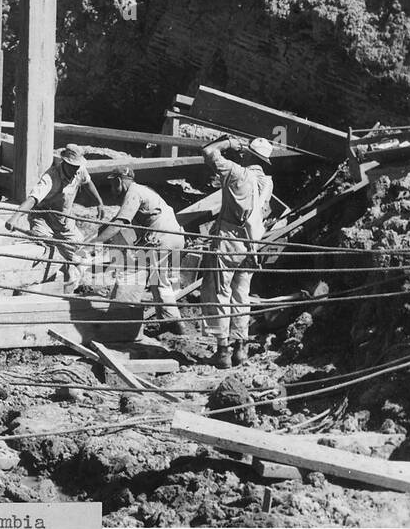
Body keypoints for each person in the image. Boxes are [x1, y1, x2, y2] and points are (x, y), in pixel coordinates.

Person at [200, 135, 274, 368]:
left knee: (221, 291)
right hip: (252, 243)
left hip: (229, 239)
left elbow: (209, 152)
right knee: (242, 295)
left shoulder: (237, 173)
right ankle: (240, 348)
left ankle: (223, 351)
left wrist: (228, 144)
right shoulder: (267, 182)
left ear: (248, 154)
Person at [93, 166, 185, 334]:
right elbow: (118, 220)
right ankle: (172, 323)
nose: (112, 190)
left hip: (161, 239)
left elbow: (121, 223)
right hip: (175, 236)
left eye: (113, 185)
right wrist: (102, 231)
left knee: (133, 274)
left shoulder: (133, 193)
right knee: (160, 281)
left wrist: (95, 243)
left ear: (119, 181)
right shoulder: (143, 190)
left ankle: (123, 320)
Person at [5, 144, 105, 290]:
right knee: (45, 245)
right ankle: (49, 282)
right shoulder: (50, 177)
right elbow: (32, 199)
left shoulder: (79, 170)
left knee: (82, 253)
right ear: (65, 162)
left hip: (64, 220)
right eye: (72, 166)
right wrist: (15, 218)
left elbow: (88, 182)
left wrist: (100, 202)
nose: (76, 169)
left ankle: (68, 281)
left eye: (77, 166)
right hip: (43, 218)